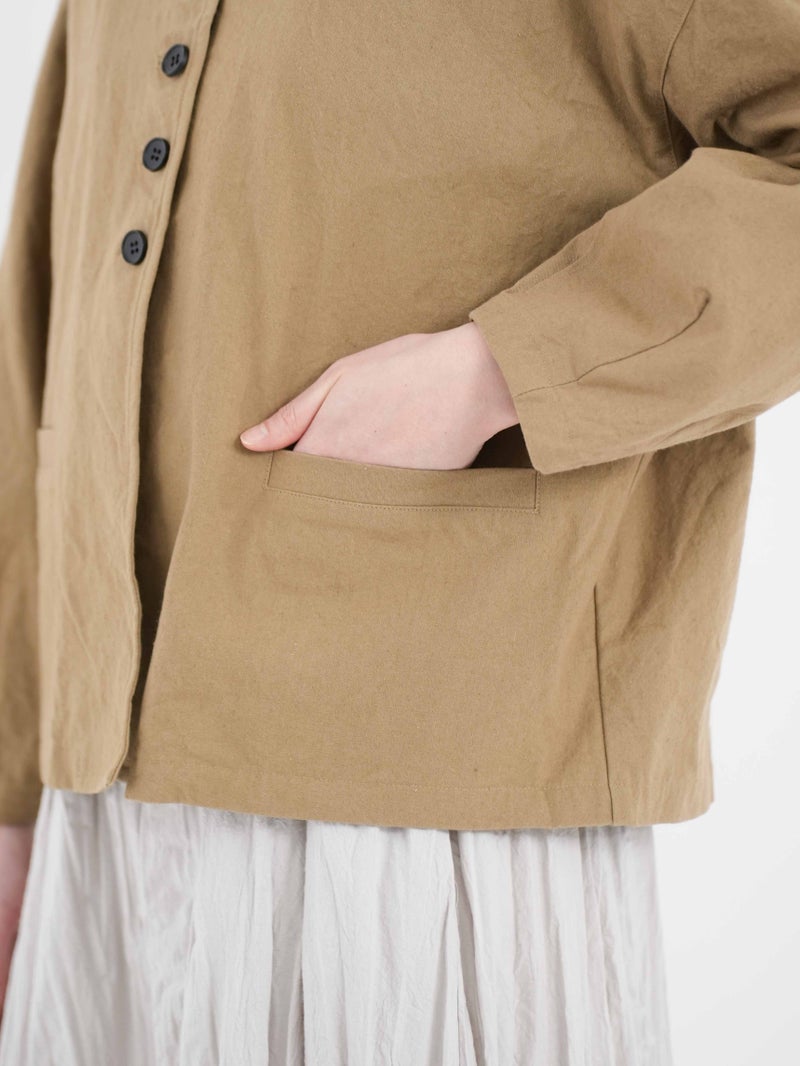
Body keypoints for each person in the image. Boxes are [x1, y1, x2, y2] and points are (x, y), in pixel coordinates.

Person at [2, 0, 800, 1061]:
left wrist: (497, 371)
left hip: (428, 817)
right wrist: (12, 785)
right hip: (100, 814)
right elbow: (54, 282)